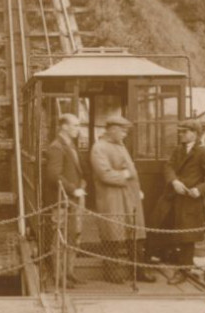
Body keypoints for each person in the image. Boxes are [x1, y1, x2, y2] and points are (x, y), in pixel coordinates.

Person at [149, 118, 205, 284]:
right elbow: (168, 167)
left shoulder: (204, 152)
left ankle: (184, 271)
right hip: (172, 198)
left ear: (195, 134)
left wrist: (199, 190)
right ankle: (160, 259)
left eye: (185, 132)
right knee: (160, 225)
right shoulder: (179, 150)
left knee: (186, 238)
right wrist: (174, 181)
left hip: (190, 201)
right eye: (180, 131)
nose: (181, 134)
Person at [90, 113, 146, 283]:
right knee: (113, 237)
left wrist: (138, 190)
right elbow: (105, 175)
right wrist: (126, 174)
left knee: (135, 236)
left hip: (130, 197)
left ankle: (139, 272)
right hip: (112, 199)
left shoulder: (120, 145)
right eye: (122, 131)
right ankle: (111, 274)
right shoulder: (99, 148)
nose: (125, 134)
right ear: (112, 130)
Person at [44, 113, 86, 287]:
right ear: (64, 127)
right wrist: (73, 189)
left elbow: (75, 170)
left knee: (73, 236)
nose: (78, 129)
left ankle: (69, 273)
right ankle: (59, 276)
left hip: (74, 198)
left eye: (78, 125)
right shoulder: (57, 147)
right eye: (75, 126)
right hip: (62, 200)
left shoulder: (69, 145)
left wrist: (82, 184)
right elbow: (54, 175)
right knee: (60, 238)